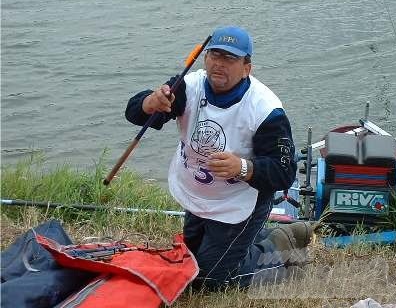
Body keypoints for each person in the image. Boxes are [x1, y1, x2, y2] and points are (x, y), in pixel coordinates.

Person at [125, 26, 314, 290]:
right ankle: (261, 237)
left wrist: (244, 167)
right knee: (190, 264)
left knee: (210, 281)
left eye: (229, 59)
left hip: (240, 201)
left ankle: (279, 245)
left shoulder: (265, 110)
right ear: (204, 59)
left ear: (247, 67)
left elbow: (284, 172)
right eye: (214, 55)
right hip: (199, 194)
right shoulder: (188, 87)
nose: (219, 64)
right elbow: (135, 113)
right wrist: (149, 103)